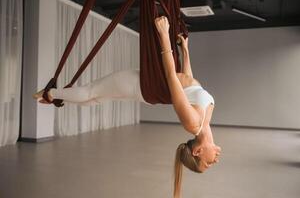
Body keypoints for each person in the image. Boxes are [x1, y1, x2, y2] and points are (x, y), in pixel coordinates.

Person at [33, 16, 221, 198]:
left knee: (92, 92)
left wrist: (164, 36)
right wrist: (185, 51)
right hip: (143, 89)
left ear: (197, 151)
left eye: (208, 163)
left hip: (140, 87)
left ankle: (51, 94)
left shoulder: (193, 124)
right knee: (96, 99)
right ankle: (63, 99)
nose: (215, 161)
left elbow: (172, 76)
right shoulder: (205, 121)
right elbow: (190, 83)